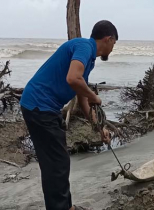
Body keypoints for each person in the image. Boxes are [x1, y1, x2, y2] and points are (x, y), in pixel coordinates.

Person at [20, 20, 118, 210]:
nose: (113, 48)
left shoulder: (88, 60)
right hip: (39, 106)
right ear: (109, 39)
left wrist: (100, 128)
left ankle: (63, 206)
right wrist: (94, 96)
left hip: (44, 107)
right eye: (114, 44)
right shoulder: (84, 46)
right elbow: (73, 79)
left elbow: (82, 100)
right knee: (57, 162)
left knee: (56, 161)